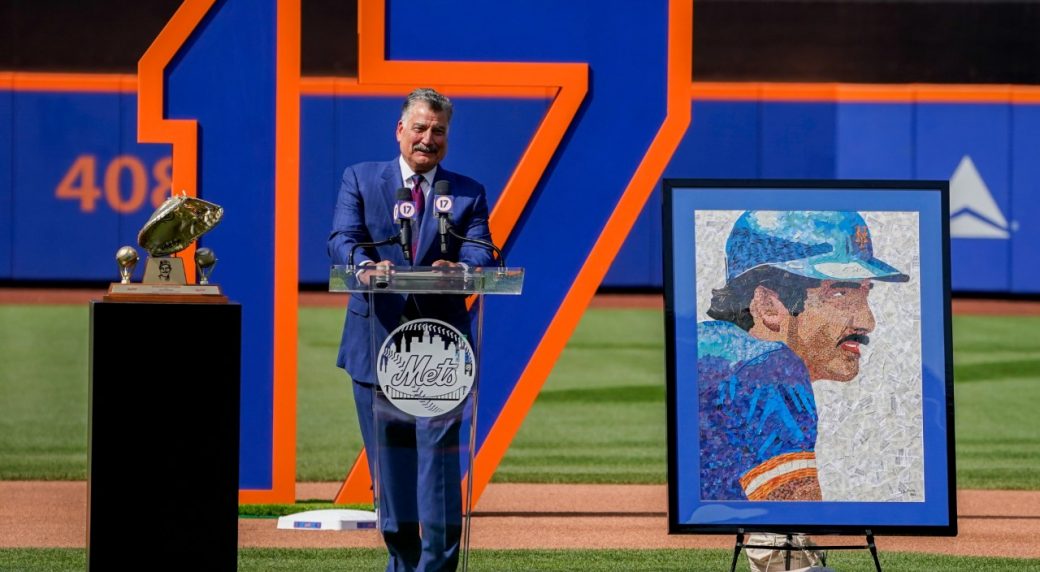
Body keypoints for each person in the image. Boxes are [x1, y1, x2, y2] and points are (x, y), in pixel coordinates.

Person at [328, 87, 495, 572]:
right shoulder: (359, 178)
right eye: (419, 128)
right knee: (392, 480)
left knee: (440, 473)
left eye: (438, 131)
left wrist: (459, 267)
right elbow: (342, 237)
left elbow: (482, 251)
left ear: (447, 137)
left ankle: (436, 569)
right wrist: (362, 264)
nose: (428, 139)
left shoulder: (468, 192)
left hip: (440, 353)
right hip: (375, 346)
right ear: (400, 130)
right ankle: (404, 563)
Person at [697, 210, 908, 502]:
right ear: (768, 304)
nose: (866, 321)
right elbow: (794, 522)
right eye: (839, 294)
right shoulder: (770, 369)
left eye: (864, 294)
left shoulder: (706, 346)